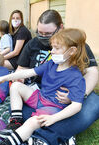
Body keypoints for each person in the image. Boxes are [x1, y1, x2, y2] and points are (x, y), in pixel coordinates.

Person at [14, 10, 99, 145]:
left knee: (94, 105)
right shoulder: (32, 44)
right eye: (40, 33)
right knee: (17, 105)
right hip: (41, 94)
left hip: (71, 93)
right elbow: (22, 69)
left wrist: (77, 96)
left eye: (47, 34)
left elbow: (92, 72)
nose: (43, 37)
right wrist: (18, 79)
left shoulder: (74, 44)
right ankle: (62, 132)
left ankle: (44, 137)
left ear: (60, 28)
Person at [0, 28, 89, 145]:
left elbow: (76, 106)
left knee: (32, 123)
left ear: (72, 51)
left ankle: (6, 143)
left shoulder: (75, 77)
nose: (52, 51)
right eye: (52, 47)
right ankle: (16, 122)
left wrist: (54, 118)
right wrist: (5, 78)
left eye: (57, 48)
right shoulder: (51, 63)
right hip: (40, 97)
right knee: (16, 86)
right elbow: (28, 72)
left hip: (52, 107)